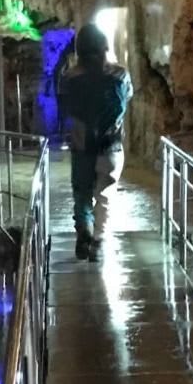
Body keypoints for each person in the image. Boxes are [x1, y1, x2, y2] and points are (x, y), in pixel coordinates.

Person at [59, 24, 133, 262]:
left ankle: (84, 232)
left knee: (82, 194)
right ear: (104, 47)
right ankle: (99, 242)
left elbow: (64, 105)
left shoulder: (69, 77)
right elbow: (127, 98)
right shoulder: (120, 75)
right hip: (111, 146)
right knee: (106, 195)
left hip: (82, 146)